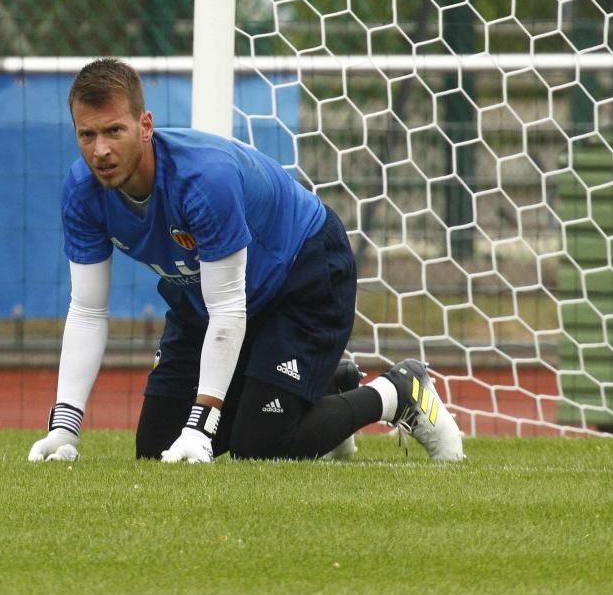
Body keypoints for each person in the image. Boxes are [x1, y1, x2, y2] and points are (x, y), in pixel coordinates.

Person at [28, 58, 465, 463]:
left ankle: (399, 391)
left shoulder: (202, 182)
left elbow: (229, 309)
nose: (100, 150)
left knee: (259, 446)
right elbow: (87, 309)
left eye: (113, 131)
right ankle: (326, 384)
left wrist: (201, 426)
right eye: (87, 135)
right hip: (206, 298)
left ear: (145, 126)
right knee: (156, 450)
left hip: (301, 274)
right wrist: (64, 429)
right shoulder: (82, 191)